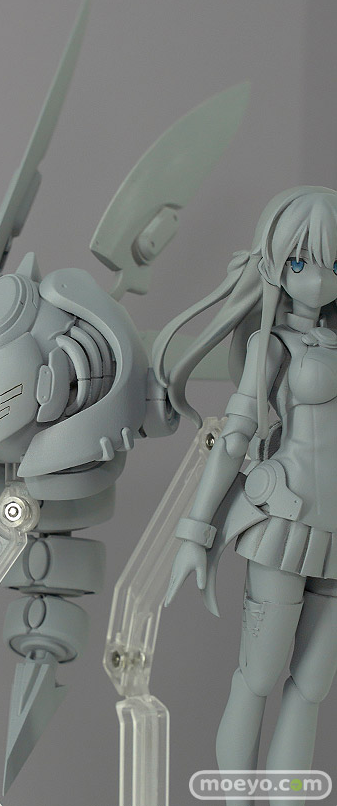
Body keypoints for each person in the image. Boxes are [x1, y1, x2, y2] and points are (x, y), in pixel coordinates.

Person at [154, 187, 337, 805]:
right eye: (301, 263)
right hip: (284, 522)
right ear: (276, 263)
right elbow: (234, 439)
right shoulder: (272, 344)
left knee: (310, 688)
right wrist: (195, 530)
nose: (318, 280)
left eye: (335, 264)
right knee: (258, 676)